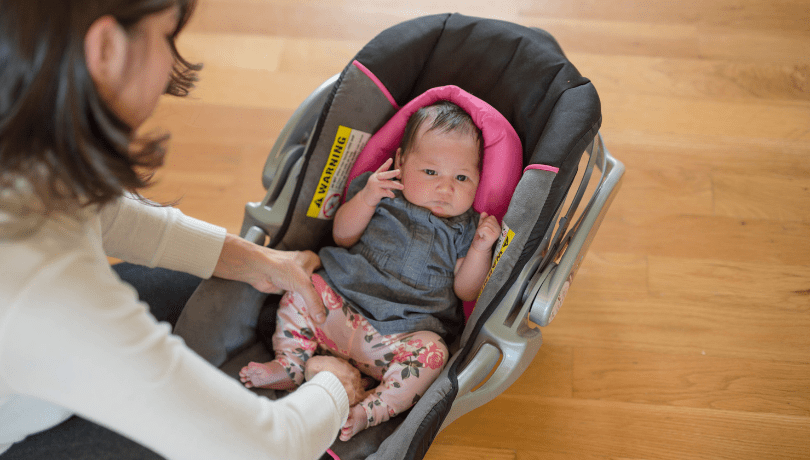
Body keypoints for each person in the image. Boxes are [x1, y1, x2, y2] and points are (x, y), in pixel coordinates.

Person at [0, 0, 350, 459]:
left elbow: (99, 211)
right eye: (167, 34)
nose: (171, 61)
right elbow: (265, 449)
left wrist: (253, 260)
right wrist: (335, 386)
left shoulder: (22, 151)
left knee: (210, 292)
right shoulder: (38, 277)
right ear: (106, 48)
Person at [239, 101, 502, 441]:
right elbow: (342, 236)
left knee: (435, 354)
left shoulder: (466, 227)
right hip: (338, 309)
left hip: (397, 339)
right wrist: (367, 197)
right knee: (303, 285)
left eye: (462, 177)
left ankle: (370, 409)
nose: (445, 188)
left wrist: (481, 248)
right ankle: (290, 363)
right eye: (430, 172)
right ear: (401, 162)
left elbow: (466, 290)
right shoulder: (381, 192)